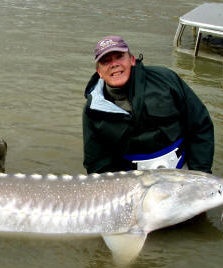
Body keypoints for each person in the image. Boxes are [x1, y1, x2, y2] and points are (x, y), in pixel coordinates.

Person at [82, 36, 214, 174]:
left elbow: (200, 124)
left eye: (119, 56)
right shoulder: (93, 110)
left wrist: (200, 173)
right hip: (132, 183)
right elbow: (96, 162)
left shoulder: (166, 80)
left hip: (183, 171)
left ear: (132, 60)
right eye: (105, 61)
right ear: (99, 72)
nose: (114, 64)